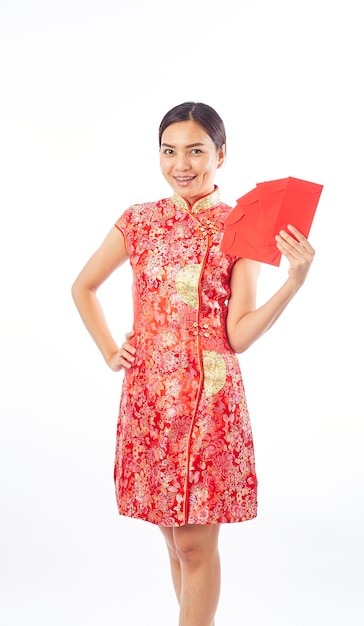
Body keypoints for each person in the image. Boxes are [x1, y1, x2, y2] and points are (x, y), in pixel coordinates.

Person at [71, 101, 315, 626]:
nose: (181, 164)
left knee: (197, 547)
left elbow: (240, 333)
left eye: (196, 151)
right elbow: (83, 286)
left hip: (209, 404)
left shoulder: (240, 227)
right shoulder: (138, 221)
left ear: (221, 155)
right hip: (151, 402)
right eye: (169, 151)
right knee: (177, 547)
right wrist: (111, 349)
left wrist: (293, 282)